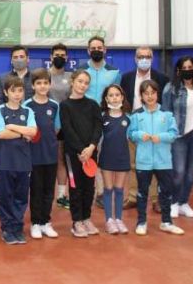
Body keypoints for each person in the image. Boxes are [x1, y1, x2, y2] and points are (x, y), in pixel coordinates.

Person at [128, 80, 183, 236]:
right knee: (142, 192)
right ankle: (141, 222)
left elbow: (173, 134)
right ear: (141, 96)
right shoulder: (136, 115)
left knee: (165, 191)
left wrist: (162, 137)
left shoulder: (167, 113)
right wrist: (139, 135)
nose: (150, 96)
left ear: (157, 94)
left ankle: (166, 222)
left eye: (153, 93)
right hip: (143, 162)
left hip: (163, 161)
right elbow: (131, 134)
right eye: (146, 93)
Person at [121, 46, 169, 211]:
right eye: (140, 56)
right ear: (135, 59)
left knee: (155, 164)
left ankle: (156, 200)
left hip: (155, 125)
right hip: (133, 124)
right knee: (134, 164)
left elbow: (165, 102)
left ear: (152, 58)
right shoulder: (126, 78)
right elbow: (123, 101)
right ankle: (133, 197)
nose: (144, 59)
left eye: (147, 56)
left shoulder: (162, 78)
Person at [162, 56, 193, 219]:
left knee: (189, 173)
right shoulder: (171, 88)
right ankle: (173, 203)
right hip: (179, 136)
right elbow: (166, 114)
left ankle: (184, 202)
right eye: (184, 67)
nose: (188, 70)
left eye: (191, 67)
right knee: (178, 172)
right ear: (179, 70)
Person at [0, 76, 37, 245]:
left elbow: (33, 132)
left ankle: (17, 228)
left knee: (20, 196)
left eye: (20, 90)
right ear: (6, 92)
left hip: (24, 162)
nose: (17, 94)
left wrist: (11, 127)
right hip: (5, 162)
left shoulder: (28, 112)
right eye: (13, 90)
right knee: (5, 196)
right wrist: (22, 133)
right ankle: (7, 228)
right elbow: (0, 134)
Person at [59, 70, 101, 238]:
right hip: (73, 155)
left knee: (89, 188)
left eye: (86, 83)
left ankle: (86, 218)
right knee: (76, 188)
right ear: (72, 82)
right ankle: (77, 221)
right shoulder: (65, 105)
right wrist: (79, 150)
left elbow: (98, 128)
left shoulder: (93, 105)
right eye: (80, 81)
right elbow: (67, 130)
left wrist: (91, 147)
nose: (82, 85)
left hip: (91, 154)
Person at [24, 68, 60, 239]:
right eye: (39, 83)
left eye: (46, 83)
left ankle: (46, 222)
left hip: (50, 155)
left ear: (50, 84)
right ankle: (35, 223)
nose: (42, 86)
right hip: (33, 156)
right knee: (36, 190)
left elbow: (57, 128)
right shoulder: (27, 106)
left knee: (48, 191)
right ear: (33, 85)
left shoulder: (55, 106)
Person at [98, 84, 131, 235]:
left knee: (119, 190)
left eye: (117, 95)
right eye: (111, 95)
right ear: (106, 99)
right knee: (108, 189)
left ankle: (118, 219)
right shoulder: (102, 117)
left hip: (123, 158)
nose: (114, 98)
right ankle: (109, 220)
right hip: (106, 158)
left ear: (122, 97)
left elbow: (133, 136)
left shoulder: (128, 118)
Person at [48, 43, 72, 211]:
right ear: (51, 57)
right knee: (46, 161)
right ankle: (45, 194)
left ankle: (62, 195)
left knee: (62, 159)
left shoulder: (71, 77)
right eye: (57, 54)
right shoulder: (43, 76)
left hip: (64, 124)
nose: (59, 57)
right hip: (46, 123)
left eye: (62, 55)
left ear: (67, 58)